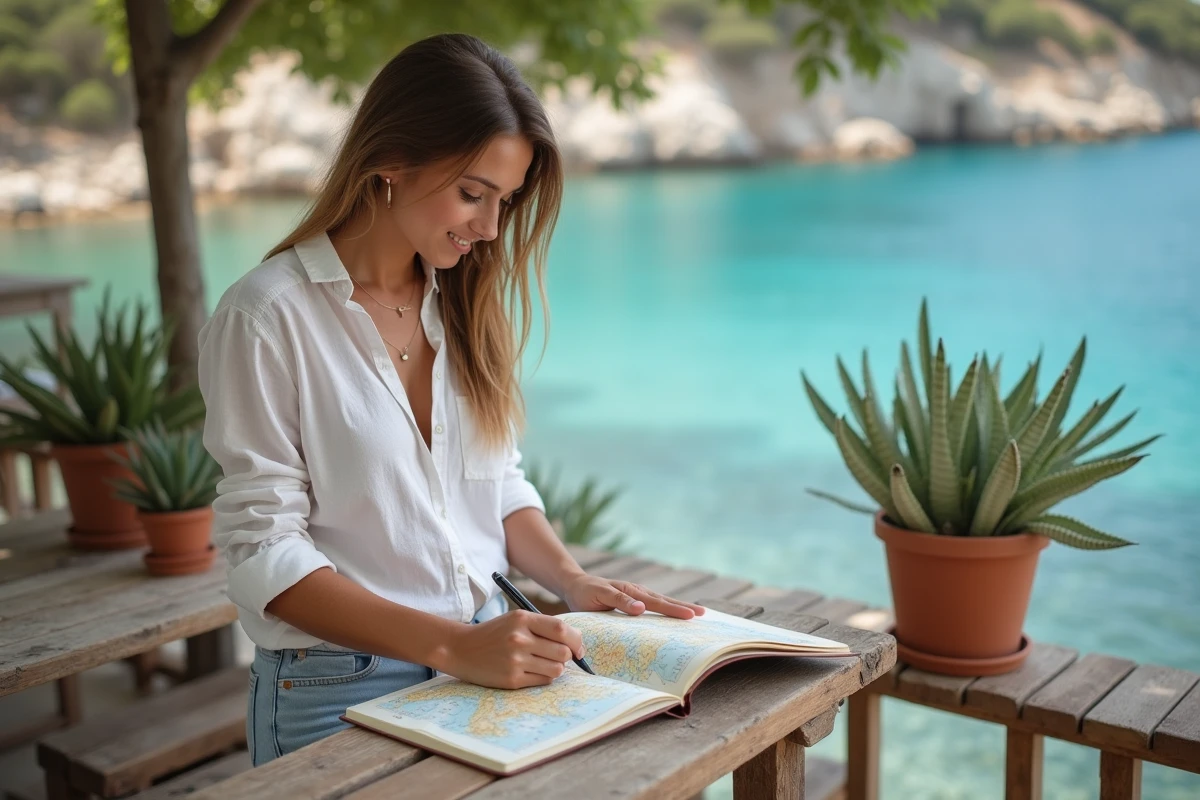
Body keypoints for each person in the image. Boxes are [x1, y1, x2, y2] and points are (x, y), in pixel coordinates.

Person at [197, 33, 705, 766]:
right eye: (473, 193)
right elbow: (262, 553)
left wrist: (568, 579)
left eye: (506, 201)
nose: (492, 229)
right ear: (390, 163)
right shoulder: (266, 318)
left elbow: (495, 482)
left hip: (491, 667)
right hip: (338, 690)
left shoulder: (463, 305)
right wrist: (455, 646)